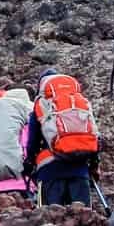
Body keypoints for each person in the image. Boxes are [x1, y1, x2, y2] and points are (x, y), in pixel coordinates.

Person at [33, 71, 100, 206]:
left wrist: (29, 164)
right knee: (84, 219)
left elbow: (31, 142)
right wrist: (93, 166)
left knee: (50, 220)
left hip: (50, 171)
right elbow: (95, 137)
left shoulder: (41, 105)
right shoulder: (81, 103)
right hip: (80, 170)